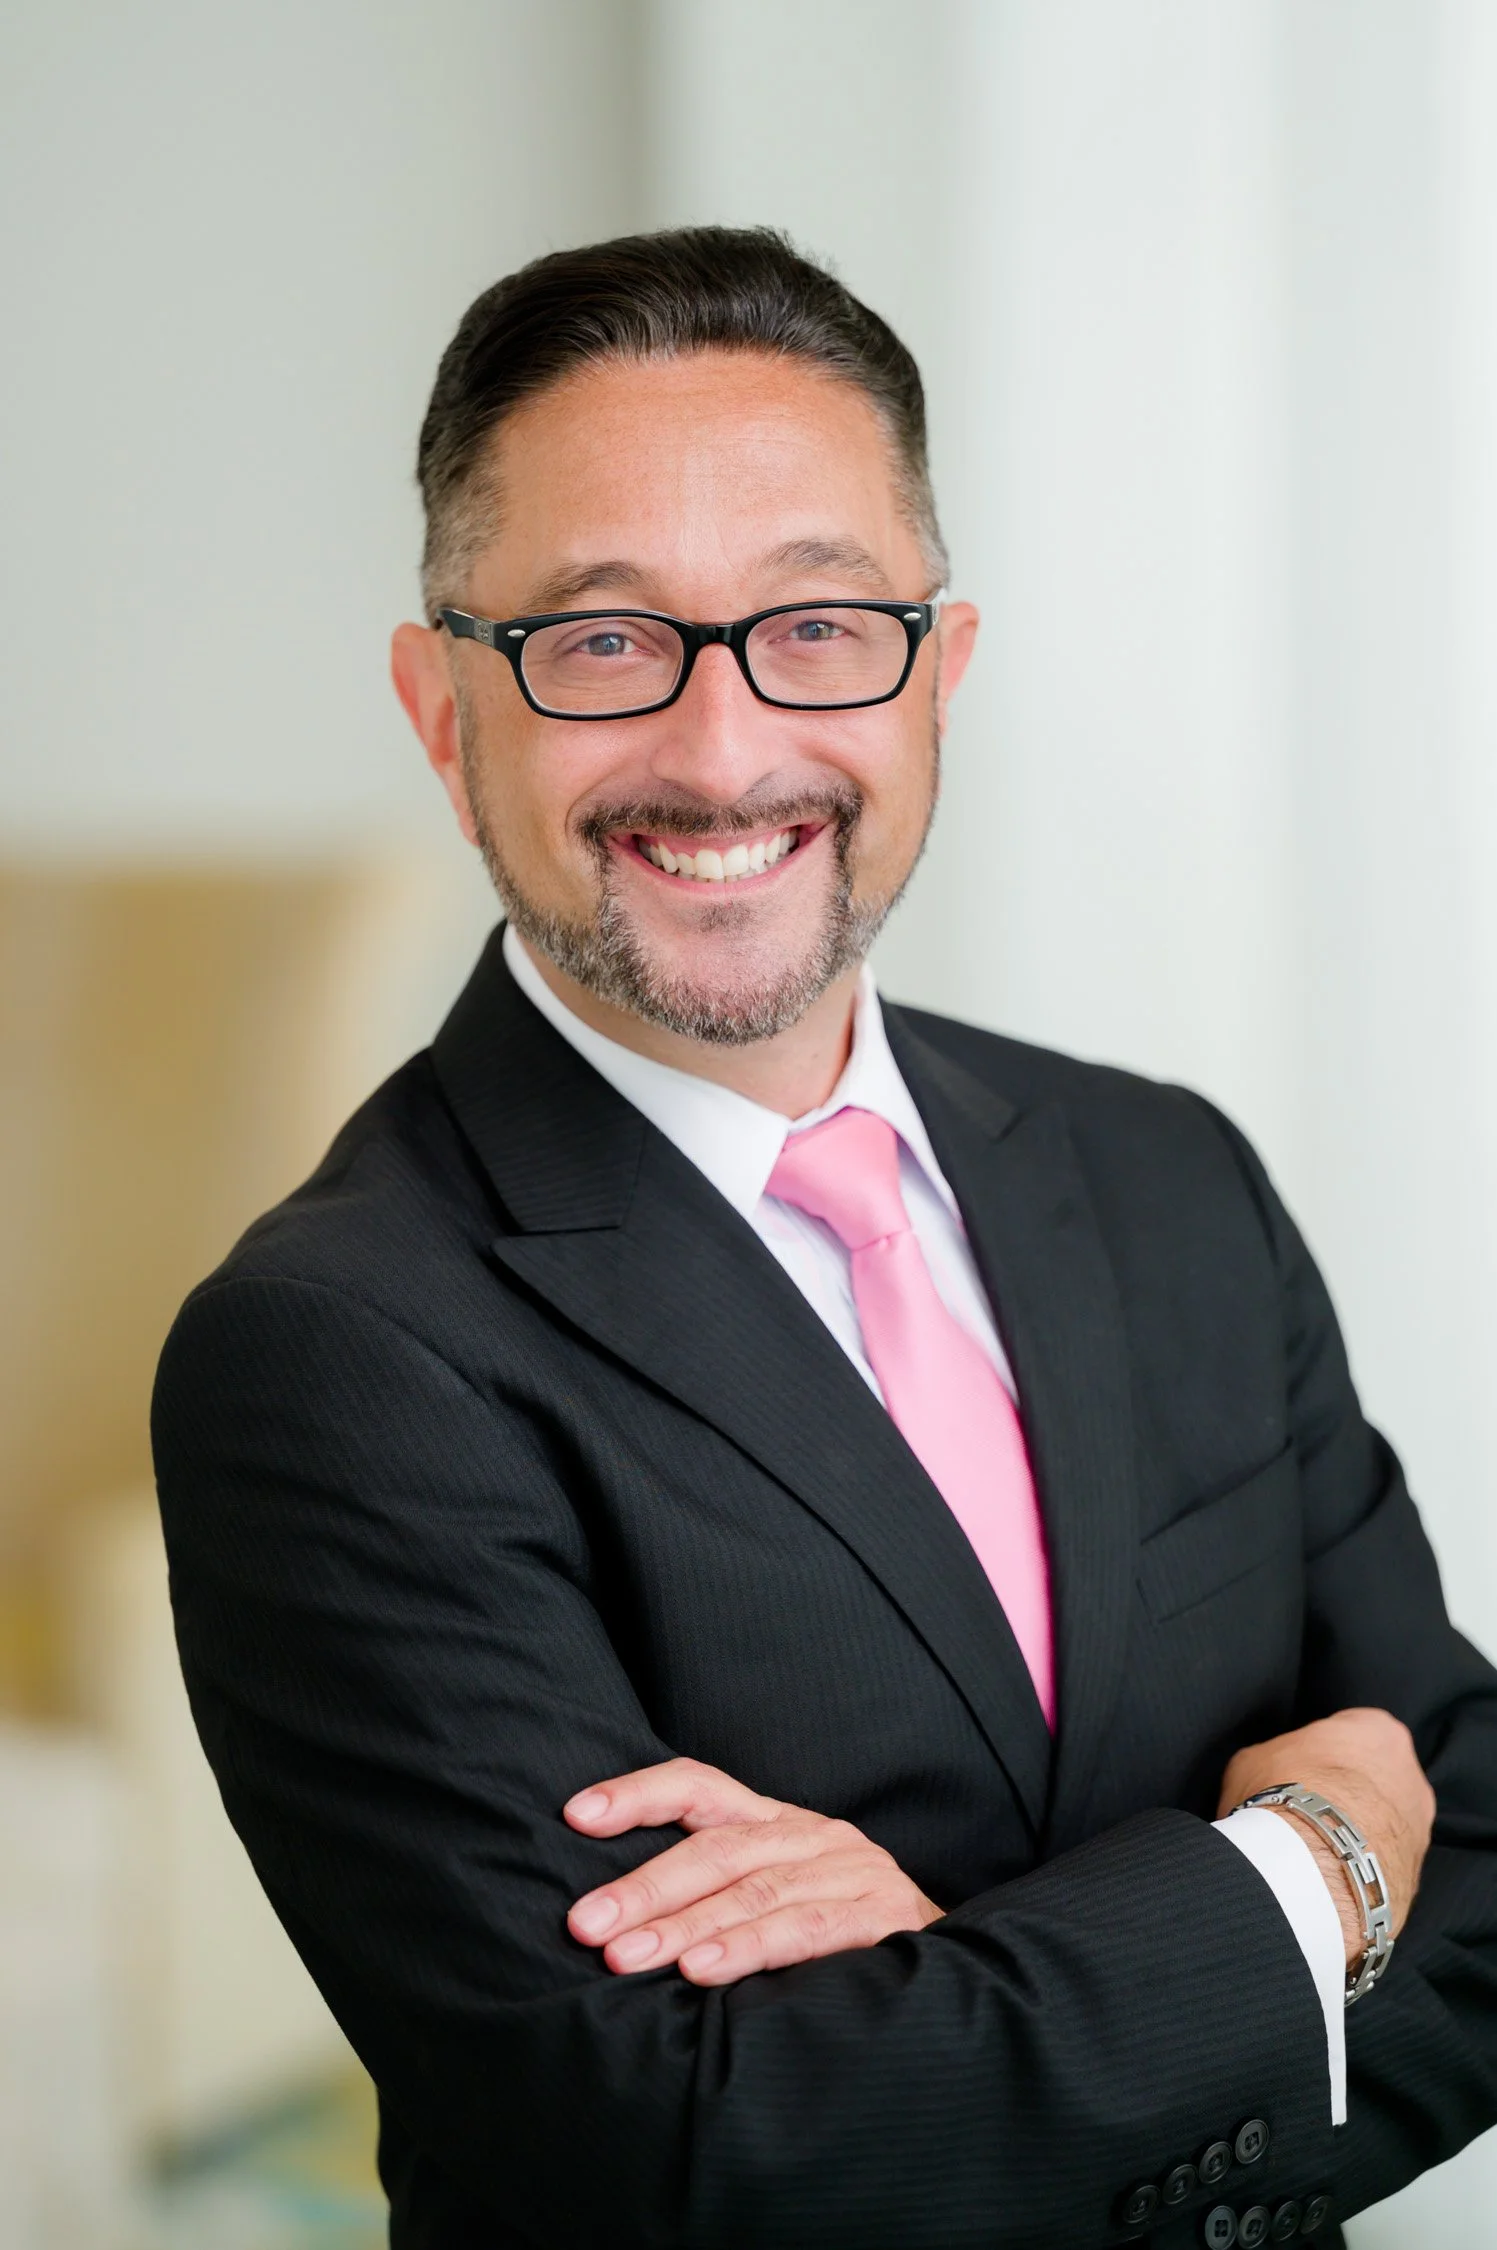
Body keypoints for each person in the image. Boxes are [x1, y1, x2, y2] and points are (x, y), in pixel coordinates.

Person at [152, 228, 1497, 2249]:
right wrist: (1311, 1872)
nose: (718, 752)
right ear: (447, 713)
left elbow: (1482, 1856)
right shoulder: (336, 1350)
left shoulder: (1164, 1177)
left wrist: (957, 1999)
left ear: (935, 673)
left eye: (814, 627)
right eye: (602, 644)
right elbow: (691, 2150)